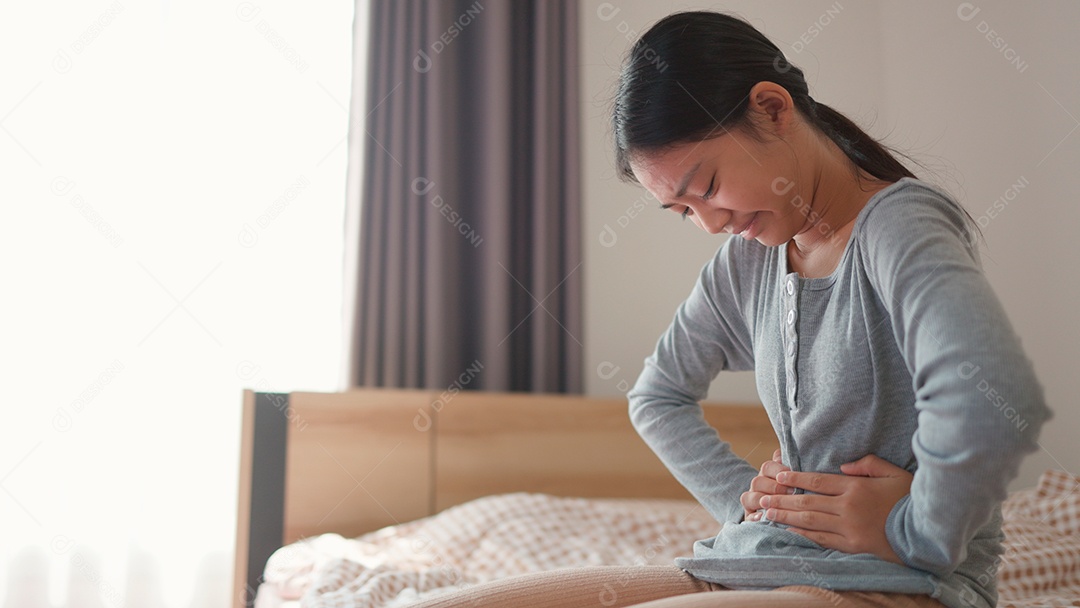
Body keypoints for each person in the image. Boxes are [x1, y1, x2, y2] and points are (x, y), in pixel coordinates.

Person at [404, 10, 1050, 608]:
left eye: (708, 187)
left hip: (891, 583)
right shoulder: (750, 261)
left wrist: (914, 531)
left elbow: (993, 392)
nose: (709, 224)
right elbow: (657, 397)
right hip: (760, 560)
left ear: (772, 110)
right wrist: (749, 507)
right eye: (683, 210)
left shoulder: (896, 228)